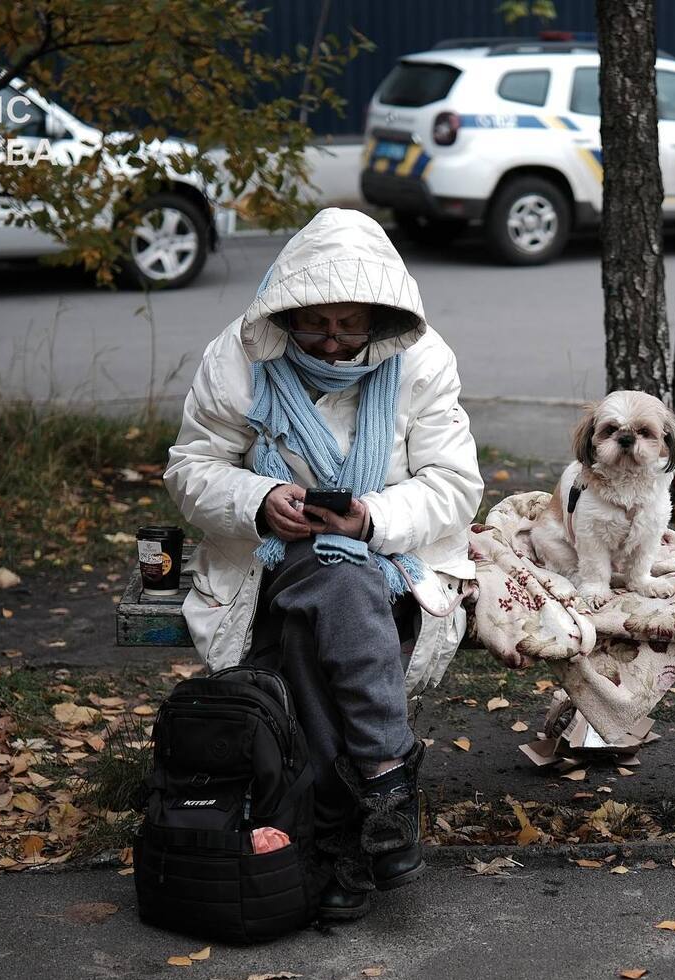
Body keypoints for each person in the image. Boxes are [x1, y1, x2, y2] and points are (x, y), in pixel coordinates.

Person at [164, 208, 481, 921]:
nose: (333, 344)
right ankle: (383, 789)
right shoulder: (239, 357)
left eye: (350, 326)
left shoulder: (422, 362)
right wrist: (259, 497)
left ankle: (338, 839)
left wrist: (369, 518)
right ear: (286, 311)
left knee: (325, 613)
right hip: (271, 564)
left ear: (382, 316)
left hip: (394, 568)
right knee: (330, 586)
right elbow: (190, 470)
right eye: (315, 325)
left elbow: (456, 487)